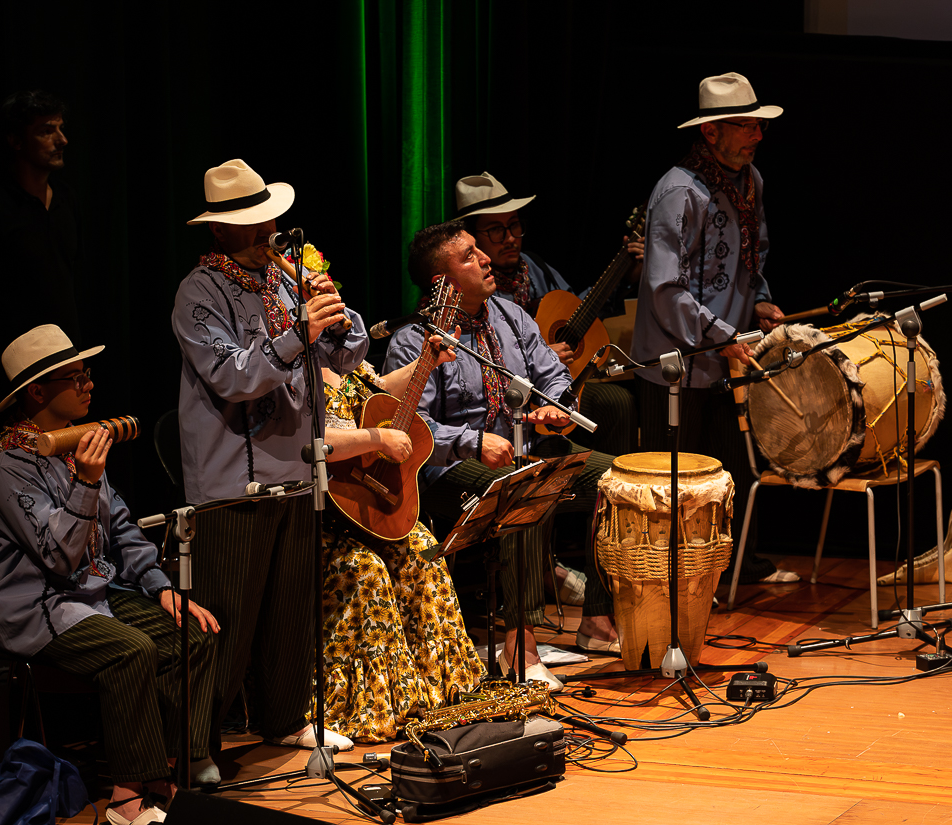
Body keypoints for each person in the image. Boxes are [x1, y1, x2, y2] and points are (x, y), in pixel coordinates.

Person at [0, 325, 220, 825]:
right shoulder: (7, 468)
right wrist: (85, 483)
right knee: (132, 652)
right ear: (38, 393)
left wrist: (161, 588)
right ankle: (126, 796)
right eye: (76, 377)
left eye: (88, 375)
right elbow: (59, 559)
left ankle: (167, 769)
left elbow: (122, 528)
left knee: (192, 633)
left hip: (91, 593)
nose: (89, 385)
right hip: (33, 608)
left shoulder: (77, 447)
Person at [172, 159, 368, 752]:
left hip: (298, 472)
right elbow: (233, 376)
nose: (266, 234)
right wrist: (297, 333)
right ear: (218, 231)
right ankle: (196, 745)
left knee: (290, 613)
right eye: (252, 226)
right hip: (234, 484)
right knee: (228, 623)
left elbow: (346, 358)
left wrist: (334, 312)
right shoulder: (197, 293)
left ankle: (284, 721)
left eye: (270, 221)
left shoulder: (284, 281)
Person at [385, 220, 622, 692]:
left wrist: (557, 407)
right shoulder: (413, 342)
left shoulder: (511, 315)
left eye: (480, 251)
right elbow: (410, 425)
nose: (487, 259)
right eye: (470, 255)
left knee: (619, 480)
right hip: (450, 468)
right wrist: (474, 442)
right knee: (526, 487)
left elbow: (552, 373)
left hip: (525, 449)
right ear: (442, 282)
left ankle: (597, 620)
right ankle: (521, 645)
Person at [631, 71, 796, 584]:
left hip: (729, 353)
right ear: (710, 132)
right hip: (674, 363)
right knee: (673, 479)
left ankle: (730, 566)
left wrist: (760, 304)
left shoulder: (751, 181)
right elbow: (664, 288)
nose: (757, 137)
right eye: (746, 127)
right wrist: (723, 334)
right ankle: (667, 581)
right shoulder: (678, 193)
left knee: (729, 470)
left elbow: (754, 256)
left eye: (758, 126)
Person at [319, 357, 484, 741]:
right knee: (367, 570)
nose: (331, 296)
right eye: (320, 291)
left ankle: (436, 690)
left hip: (367, 507)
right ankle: (368, 704)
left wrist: (428, 359)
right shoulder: (297, 369)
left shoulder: (351, 362)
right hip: (323, 517)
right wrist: (378, 440)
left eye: (334, 292)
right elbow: (311, 441)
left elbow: (384, 389)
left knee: (425, 550)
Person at [0, 90, 83, 349]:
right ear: (16, 140)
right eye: (47, 131)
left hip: (64, 352)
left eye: (60, 128)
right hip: (15, 358)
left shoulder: (66, 199)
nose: (62, 140)